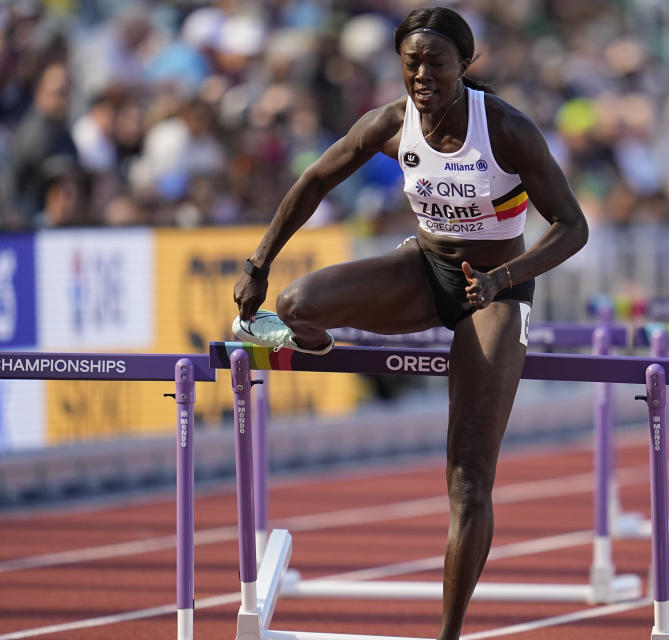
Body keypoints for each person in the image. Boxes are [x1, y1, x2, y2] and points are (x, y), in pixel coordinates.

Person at [232, 7, 588, 639]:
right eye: (411, 62)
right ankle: (313, 345)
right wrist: (259, 263)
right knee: (293, 306)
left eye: (436, 64)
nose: (421, 76)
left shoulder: (504, 128)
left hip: (496, 294)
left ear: (466, 66)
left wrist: (508, 277)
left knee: (468, 478)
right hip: (425, 271)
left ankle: (447, 635)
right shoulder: (393, 121)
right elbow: (316, 178)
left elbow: (572, 226)